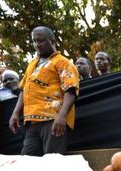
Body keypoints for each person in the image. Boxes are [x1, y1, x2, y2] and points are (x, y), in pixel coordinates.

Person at [8, 26, 79, 156]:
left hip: (53, 120)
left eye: (41, 40)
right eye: (34, 41)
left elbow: (71, 91)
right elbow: (24, 90)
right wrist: (15, 114)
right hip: (31, 122)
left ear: (52, 41)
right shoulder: (32, 64)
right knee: (27, 162)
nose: (37, 44)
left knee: (52, 163)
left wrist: (62, 116)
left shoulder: (62, 62)